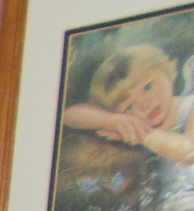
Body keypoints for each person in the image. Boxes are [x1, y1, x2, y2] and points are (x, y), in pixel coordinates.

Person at [62, 43, 194, 165]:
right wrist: (109, 120)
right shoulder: (136, 123)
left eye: (147, 87)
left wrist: (144, 135)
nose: (145, 104)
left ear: (167, 71)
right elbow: (68, 115)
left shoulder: (190, 106)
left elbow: (189, 151)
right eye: (129, 107)